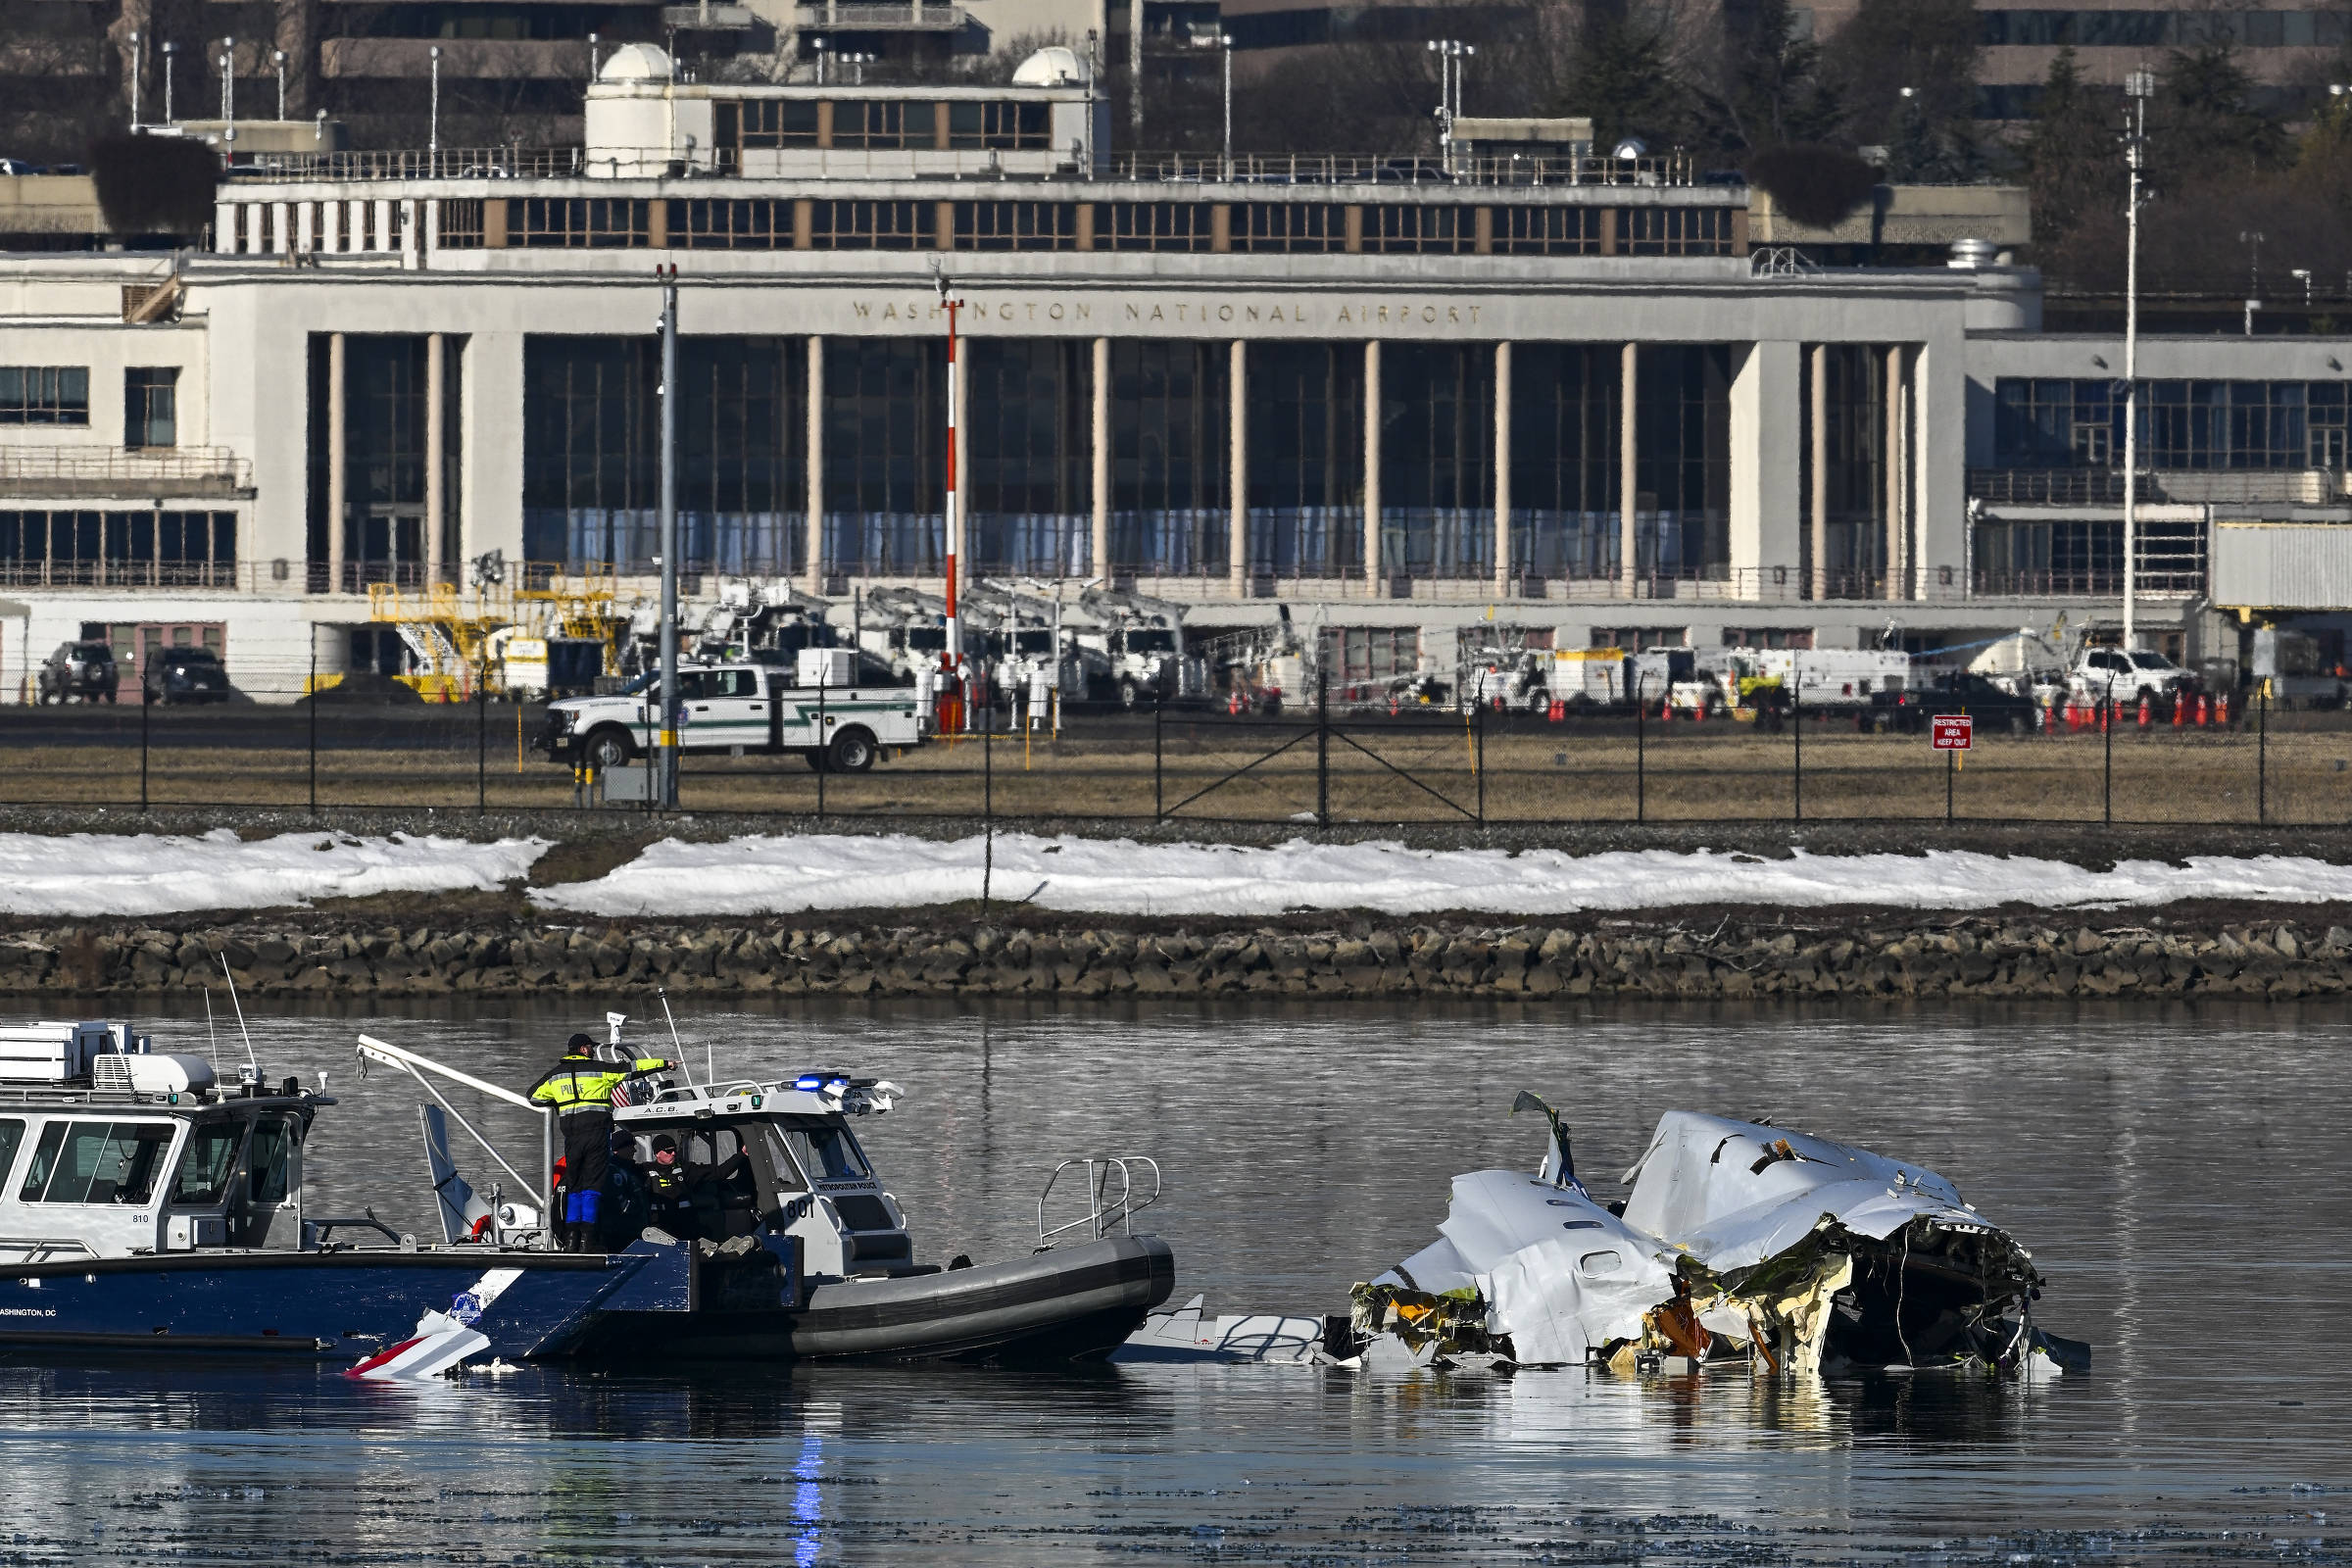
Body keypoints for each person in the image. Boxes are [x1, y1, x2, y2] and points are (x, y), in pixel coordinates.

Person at [529, 1032, 674, 1251]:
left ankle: (570, 1239)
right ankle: (587, 1238)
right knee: (592, 1186)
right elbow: (634, 1069)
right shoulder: (600, 1070)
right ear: (585, 1049)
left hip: (572, 1139)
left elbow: (534, 1096)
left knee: (575, 1186)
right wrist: (665, 1064)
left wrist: (561, 1103)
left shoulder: (555, 1076)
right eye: (590, 1047)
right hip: (596, 1136)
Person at [636, 1132, 749, 1244]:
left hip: (685, 1227)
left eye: (675, 1150)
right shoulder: (644, 1170)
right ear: (657, 1153)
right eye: (669, 1151)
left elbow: (718, 1173)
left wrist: (742, 1154)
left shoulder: (685, 1169)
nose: (674, 1153)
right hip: (659, 1230)